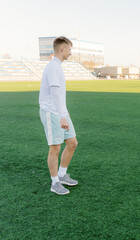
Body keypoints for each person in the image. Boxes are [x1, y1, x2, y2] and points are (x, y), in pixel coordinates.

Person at [39, 36, 78, 195]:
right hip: (52, 112)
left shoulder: (58, 66)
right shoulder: (53, 67)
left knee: (72, 142)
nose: (70, 53)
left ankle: (62, 174)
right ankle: (55, 183)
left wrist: (64, 113)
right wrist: (62, 116)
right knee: (55, 147)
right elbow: (55, 93)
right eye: (69, 49)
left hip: (61, 112)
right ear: (62, 49)